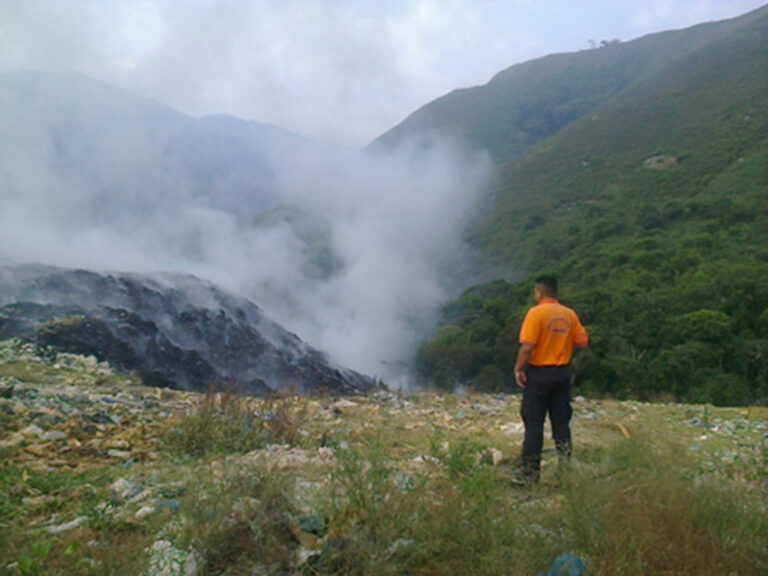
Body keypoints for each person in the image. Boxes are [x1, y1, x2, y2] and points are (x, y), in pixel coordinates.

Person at [514, 275, 587, 483]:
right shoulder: (569, 314)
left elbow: (527, 347)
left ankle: (530, 472)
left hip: (539, 374)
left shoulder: (535, 314)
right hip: (562, 374)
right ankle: (565, 470)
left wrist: (518, 369)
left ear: (540, 292)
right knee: (561, 422)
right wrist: (560, 341)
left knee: (534, 422)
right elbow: (582, 342)